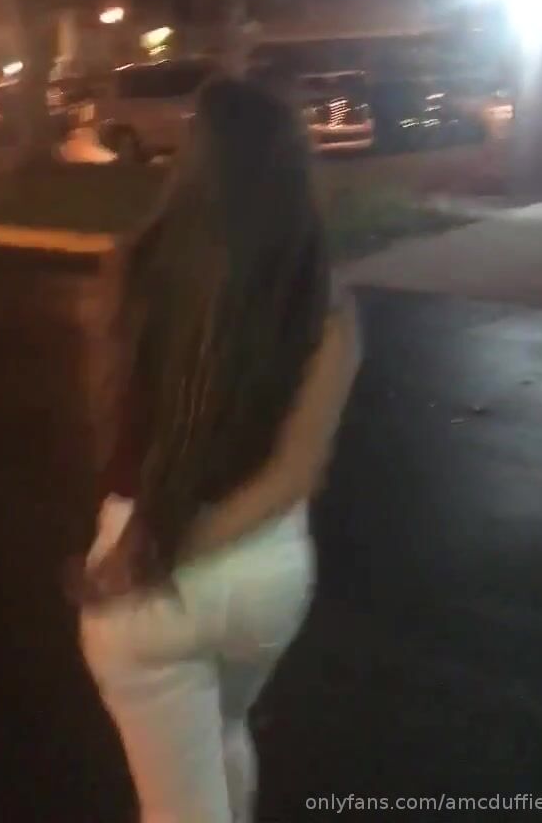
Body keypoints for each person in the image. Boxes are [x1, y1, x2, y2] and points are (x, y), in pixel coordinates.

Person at [72, 75, 361, 823]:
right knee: (223, 727)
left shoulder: (131, 270)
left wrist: (156, 548)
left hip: (150, 573)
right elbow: (296, 472)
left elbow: (114, 422)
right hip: (267, 576)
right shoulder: (327, 308)